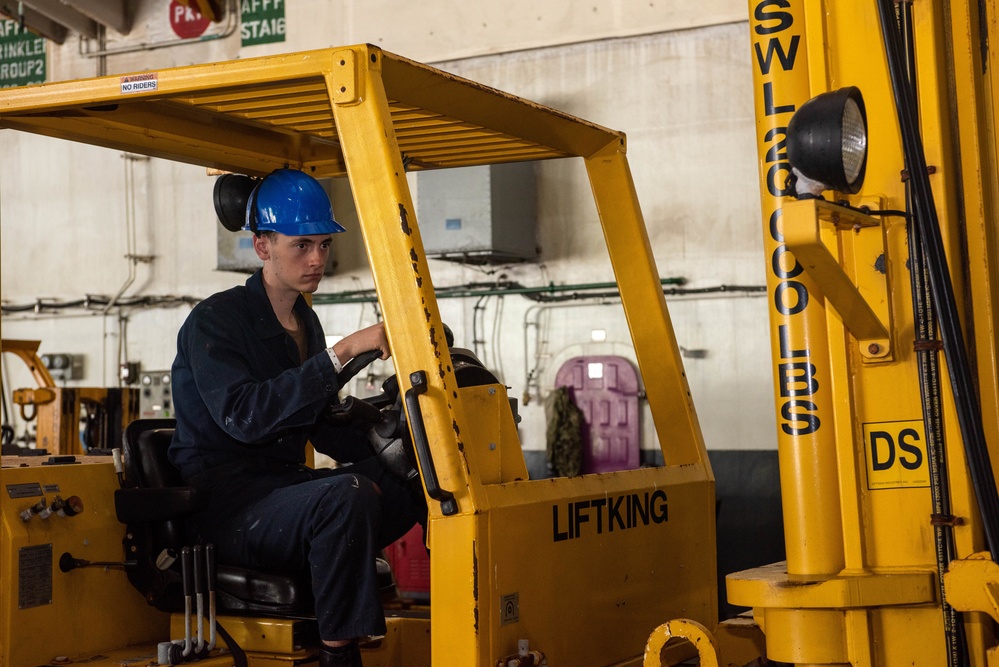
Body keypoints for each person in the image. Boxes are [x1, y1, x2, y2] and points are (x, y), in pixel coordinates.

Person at [169, 168, 423, 667]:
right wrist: (344, 351)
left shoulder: (303, 321)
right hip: (227, 506)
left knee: (416, 474)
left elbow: (317, 422)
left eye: (324, 245)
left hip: (283, 493)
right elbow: (246, 417)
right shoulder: (216, 321)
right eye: (301, 245)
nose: (316, 259)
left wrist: (394, 430)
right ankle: (338, 652)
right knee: (341, 496)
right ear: (263, 247)